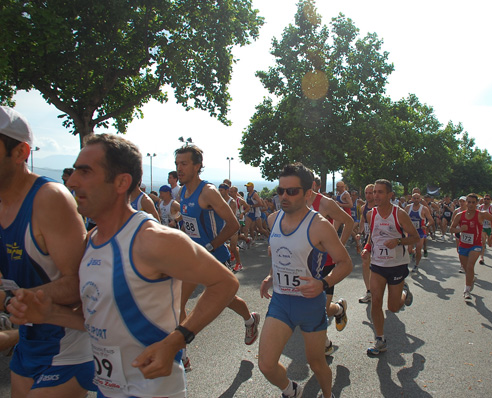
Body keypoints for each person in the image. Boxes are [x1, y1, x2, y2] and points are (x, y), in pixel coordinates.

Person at [8, 134, 239, 398]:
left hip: (152, 391)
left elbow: (226, 283)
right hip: (108, 390)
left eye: (85, 172)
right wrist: (48, 314)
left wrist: (176, 340)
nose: (71, 182)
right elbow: (99, 323)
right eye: (73, 172)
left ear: (121, 182)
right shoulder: (91, 242)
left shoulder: (153, 239)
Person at [0, 106, 95, 397]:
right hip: (29, 343)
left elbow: (81, 284)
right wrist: (10, 304)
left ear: (20, 153)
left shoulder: (49, 199)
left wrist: (19, 300)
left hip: (67, 348)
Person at [258, 163, 352, 398]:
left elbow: (345, 263)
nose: (284, 197)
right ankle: (292, 390)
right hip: (281, 302)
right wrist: (271, 275)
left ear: (308, 193)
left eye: (292, 191)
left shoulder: (320, 225)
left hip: (310, 304)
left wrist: (323, 284)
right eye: (281, 191)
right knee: (266, 365)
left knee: (317, 363)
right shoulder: (272, 220)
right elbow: (281, 253)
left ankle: (328, 395)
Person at [175, 145, 259, 351]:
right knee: (178, 302)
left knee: (227, 300)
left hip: (215, 256)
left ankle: (250, 320)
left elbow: (232, 225)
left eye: (184, 164)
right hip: (194, 257)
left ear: (197, 166)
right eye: (177, 164)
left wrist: (210, 245)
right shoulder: (183, 192)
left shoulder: (208, 192)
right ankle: (181, 354)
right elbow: (189, 223)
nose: (179, 169)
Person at [361, 179, 419, 355]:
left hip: (397, 265)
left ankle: (404, 293)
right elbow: (373, 235)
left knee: (393, 307)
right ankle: (380, 339)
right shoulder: (371, 214)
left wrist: (399, 241)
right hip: (378, 264)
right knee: (376, 301)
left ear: (389, 195)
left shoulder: (399, 214)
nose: (375, 195)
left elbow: (415, 237)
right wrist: (367, 248)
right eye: (373, 192)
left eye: (379, 192)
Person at [306, 176, 354, 356]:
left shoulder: (325, 203)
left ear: (312, 185)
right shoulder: (296, 202)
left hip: (325, 262)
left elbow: (348, 222)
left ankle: (338, 309)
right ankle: (325, 340)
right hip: (304, 263)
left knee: (323, 308)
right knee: (310, 305)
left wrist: (338, 246)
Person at [449, 193, 492, 300]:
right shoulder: (460, 215)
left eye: (473, 202)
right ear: (466, 202)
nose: (470, 204)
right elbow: (451, 229)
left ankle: (467, 290)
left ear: (477, 203)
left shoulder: (481, 214)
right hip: (463, 244)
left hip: (475, 245)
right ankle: (471, 278)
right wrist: (460, 230)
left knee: (470, 266)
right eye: (469, 202)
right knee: (466, 268)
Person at [405, 192, 434, 273]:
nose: (416, 200)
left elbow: (431, 220)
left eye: (418, 198)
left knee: (418, 249)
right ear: (411, 199)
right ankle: (413, 253)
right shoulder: (408, 208)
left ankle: (416, 265)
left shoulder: (424, 209)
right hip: (411, 231)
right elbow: (403, 218)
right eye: (414, 198)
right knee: (409, 250)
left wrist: (427, 225)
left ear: (420, 199)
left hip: (420, 232)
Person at [358, 183, 375, 303]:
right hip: (368, 238)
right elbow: (362, 221)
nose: (368, 195)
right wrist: (359, 233)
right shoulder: (364, 208)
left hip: (381, 239)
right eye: (366, 193)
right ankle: (369, 291)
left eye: (371, 193)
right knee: (365, 262)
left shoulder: (380, 207)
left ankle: (399, 284)